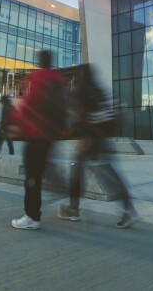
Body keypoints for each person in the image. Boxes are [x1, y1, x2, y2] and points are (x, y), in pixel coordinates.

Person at [58, 64, 139, 229]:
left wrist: (77, 135)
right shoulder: (100, 91)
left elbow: (80, 118)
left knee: (77, 173)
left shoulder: (81, 92)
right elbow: (113, 116)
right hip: (103, 139)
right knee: (110, 175)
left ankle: (73, 209)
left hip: (89, 141)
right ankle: (128, 209)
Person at [10, 50, 67, 230]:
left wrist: (15, 122)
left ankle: (32, 216)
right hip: (51, 135)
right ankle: (66, 191)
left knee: (32, 176)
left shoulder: (38, 77)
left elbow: (30, 102)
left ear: (39, 61)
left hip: (35, 133)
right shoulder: (59, 78)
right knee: (40, 171)